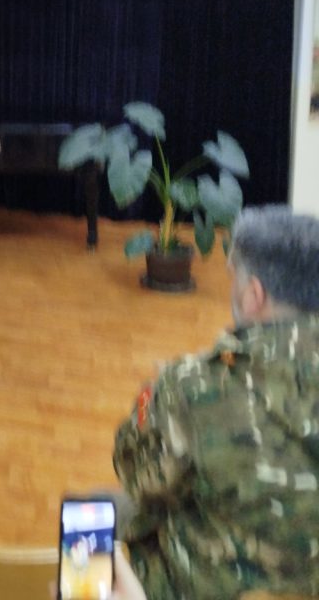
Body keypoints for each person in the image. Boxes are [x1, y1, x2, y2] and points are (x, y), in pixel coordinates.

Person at [112, 205, 319, 600]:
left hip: (199, 586)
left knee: (89, 510)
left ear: (254, 295)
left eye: (233, 277)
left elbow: (137, 474)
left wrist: (152, 396)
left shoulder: (195, 388)